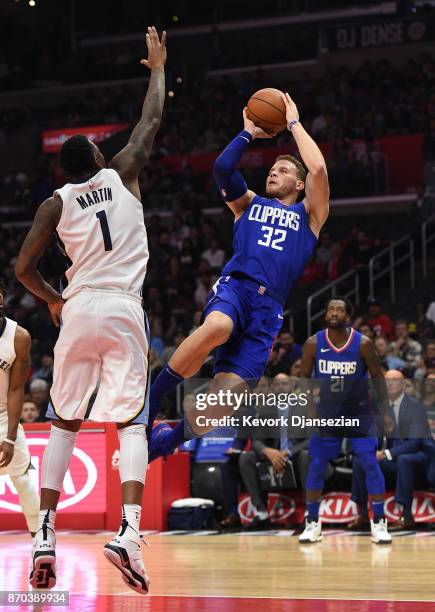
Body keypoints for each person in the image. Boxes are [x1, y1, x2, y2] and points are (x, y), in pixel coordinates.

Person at [15, 27, 167, 594]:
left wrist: (53, 300)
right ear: (100, 158)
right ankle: (128, 531)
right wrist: (156, 68)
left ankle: (46, 536)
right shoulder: (123, 173)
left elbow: (23, 269)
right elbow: (150, 121)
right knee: (130, 421)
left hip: (76, 309)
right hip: (124, 308)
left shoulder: (54, 204)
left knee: (63, 423)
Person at [149, 92, 329, 437]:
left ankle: (167, 441)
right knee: (217, 327)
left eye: (284, 170)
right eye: (272, 169)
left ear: (300, 184)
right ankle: (151, 404)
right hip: (237, 286)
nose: (274, 173)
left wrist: (293, 123)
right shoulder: (247, 203)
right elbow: (221, 168)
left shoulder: (309, 216)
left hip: (269, 309)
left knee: (222, 403)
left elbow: (318, 167)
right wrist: (247, 132)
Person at [298, 297, 392, 545]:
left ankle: (379, 521)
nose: (335, 312)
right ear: (325, 314)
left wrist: (386, 412)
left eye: (340, 309)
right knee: (317, 464)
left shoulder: (364, 344)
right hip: (327, 413)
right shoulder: (312, 344)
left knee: (370, 463)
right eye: (331, 308)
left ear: (348, 316)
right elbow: (305, 379)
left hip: (358, 412)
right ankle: (312, 522)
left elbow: (377, 378)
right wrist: (310, 413)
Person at [351, 370, 435, 530]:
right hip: (393, 458)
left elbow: (414, 444)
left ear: (403, 385)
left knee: (405, 459)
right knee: (360, 462)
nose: (389, 383)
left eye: (394, 380)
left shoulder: (414, 407)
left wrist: (384, 454)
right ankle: (362, 515)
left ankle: (407, 515)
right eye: (386, 380)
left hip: (420, 457)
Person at [0, 280, 39, 537]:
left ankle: (41, 541)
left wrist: (10, 437)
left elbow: (16, 390)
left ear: (1, 298)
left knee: (23, 480)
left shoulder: (19, 337)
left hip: (3, 415)